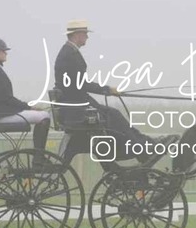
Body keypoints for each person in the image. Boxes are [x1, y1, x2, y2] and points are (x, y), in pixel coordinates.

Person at [54, 19, 177, 165]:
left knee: (114, 115)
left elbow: (78, 84)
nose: (87, 37)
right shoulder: (69, 55)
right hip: (77, 108)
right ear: (77, 35)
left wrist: (106, 91)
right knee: (114, 115)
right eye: (85, 33)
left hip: (77, 105)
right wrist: (107, 89)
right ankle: (143, 148)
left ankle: (146, 144)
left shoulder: (69, 53)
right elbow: (80, 85)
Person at [0, 37, 51, 164]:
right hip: (3, 115)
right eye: (3, 50)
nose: (6, 53)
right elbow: (8, 99)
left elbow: (7, 99)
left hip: (2, 113)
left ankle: (38, 156)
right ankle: (38, 157)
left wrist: (28, 107)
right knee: (44, 117)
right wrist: (29, 107)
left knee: (42, 115)